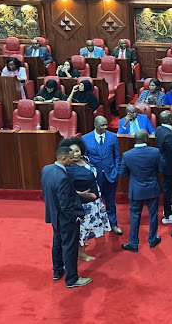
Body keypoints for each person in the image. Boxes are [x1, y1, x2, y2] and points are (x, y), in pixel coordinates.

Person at [41, 145, 91, 288]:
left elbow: (50, 192)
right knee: (70, 247)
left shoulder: (47, 169)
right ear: (63, 159)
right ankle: (72, 279)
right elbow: (65, 204)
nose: (73, 160)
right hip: (66, 219)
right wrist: (74, 217)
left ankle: (57, 271)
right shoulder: (63, 177)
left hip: (54, 216)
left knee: (57, 242)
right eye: (70, 158)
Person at [59, 137, 110, 261]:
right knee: (83, 228)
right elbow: (67, 188)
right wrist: (81, 194)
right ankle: (81, 253)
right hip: (83, 204)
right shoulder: (69, 168)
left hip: (95, 200)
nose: (75, 154)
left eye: (77, 151)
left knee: (89, 227)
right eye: (71, 151)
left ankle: (81, 245)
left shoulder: (86, 160)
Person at [120, 130, 162, 252]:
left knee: (135, 216)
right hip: (152, 188)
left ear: (135, 139)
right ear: (146, 139)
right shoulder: (155, 152)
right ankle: (153, 240)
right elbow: (160, 169)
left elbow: (123, 174)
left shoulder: (127, 155)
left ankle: (133, 244)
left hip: (136, 190)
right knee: (153, 215)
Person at [82, 116, 122, 235]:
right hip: (95, 177)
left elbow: (117, 157)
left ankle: (113, 224)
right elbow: (85, 159)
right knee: (96, 202)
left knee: (110, 201)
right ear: (95, 125)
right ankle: (98, 226)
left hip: (110, 175)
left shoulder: (113, 137)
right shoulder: (85, 138)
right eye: (102, 125)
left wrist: (116, 171)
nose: (105, 127)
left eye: (106, 124)